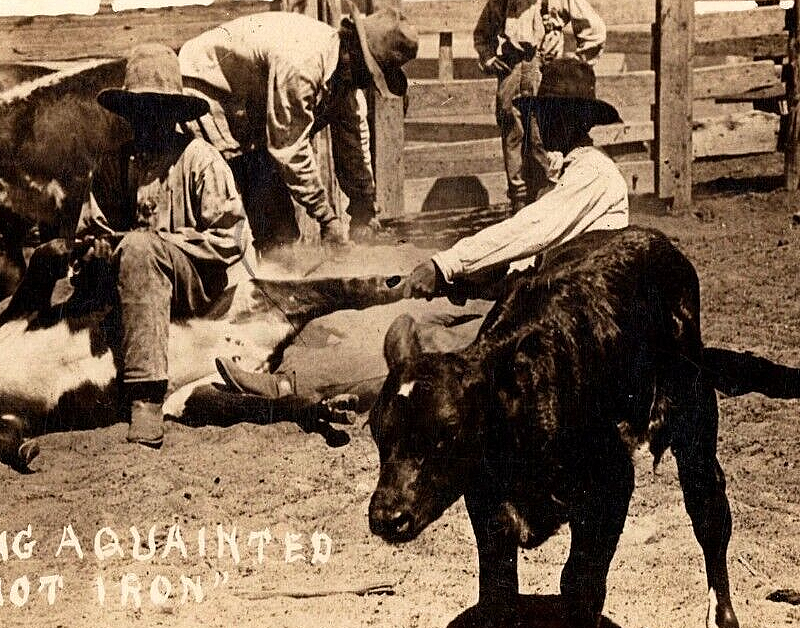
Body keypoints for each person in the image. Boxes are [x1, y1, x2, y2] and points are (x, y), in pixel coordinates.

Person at [215, 58, 628, 404]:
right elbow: (533, 255)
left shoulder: (593, 174)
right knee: (410, 316)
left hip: (566, 325)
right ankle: (294, 363)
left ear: (578, 120)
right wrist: (474, 279)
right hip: (537, 302)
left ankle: (294, 387)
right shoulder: (565, 174)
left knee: (429, 347)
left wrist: (446, 265)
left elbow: (528, 230)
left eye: (554, 113)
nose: (541, 122)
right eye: (542, 111)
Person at [79, 42, 251, 448]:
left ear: (175, 114)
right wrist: (95, 251)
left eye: (158, 109)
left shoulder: (200, 159)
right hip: (131, 279)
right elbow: (93, 229)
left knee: (141, 249)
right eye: (139, 109)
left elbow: (230, 239)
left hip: (196, 283)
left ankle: (146, 395)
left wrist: (158, 244)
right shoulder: (114, 164)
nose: (147, 119)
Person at [178, 7, 417, 253]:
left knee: (280, 233)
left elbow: (353, 143)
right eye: (369, 73)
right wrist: (327, 218)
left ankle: (275, 264)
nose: (366, 84)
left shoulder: (345, 74)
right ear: (353, 50)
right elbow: (289, 148)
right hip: (207, 93)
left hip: (247, 110)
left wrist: (363, 206)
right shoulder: (303, 63)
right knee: (231, 219)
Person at [473, 0, 606, 211]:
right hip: (511, 72)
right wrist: (489, 57)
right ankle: (519, 201)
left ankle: (552, 199)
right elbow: (482, 34)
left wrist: (575, 64)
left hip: (546, 74)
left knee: (543, 135)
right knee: (513, 134)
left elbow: (593, 28)